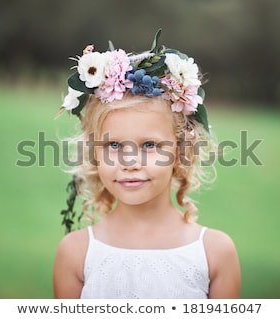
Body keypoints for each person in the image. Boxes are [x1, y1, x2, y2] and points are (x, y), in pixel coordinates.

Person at [53, 30, 240, 299]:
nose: (130, 162)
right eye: (114, 146)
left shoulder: (215, 253)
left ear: (180, 151)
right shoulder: (75, 253)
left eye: (149, 145)